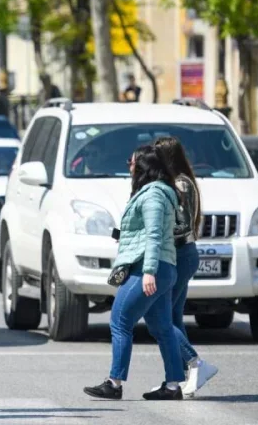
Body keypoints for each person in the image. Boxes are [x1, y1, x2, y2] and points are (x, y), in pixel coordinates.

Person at [83, 144, 184, 401]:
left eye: (132, 161)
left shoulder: (152, 195)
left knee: (120, 321)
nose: (128, 165)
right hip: (162, 267)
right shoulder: (158, 192)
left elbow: (153, 235)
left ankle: (114, 383)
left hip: (149, 268)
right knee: (162, 327)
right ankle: (173, 386)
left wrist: (148, 271)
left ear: (143, 166)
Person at [153, 136, 219, 396]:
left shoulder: (181, 183)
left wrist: (157, 230)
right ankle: (177, 379)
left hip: (181, 254)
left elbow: (184, 226)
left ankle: (195, 364)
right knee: (174, 317)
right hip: (181, 254)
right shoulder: (175, 181)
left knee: (162, 318)